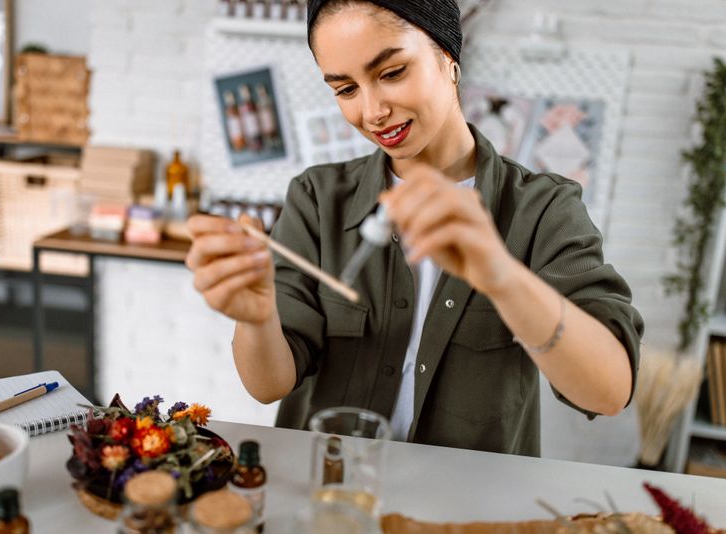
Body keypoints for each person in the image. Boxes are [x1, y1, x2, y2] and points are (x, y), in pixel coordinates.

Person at [186, 0, 644, 456]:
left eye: (392, 73)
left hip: (465, 515)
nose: (372, 111)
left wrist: (503, 278)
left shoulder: (544, 208)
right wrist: (256, 318)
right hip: (330, 492)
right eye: (346, 89)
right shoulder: (317, 198)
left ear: (449, 60)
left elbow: (609, 392)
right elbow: (268, 386)